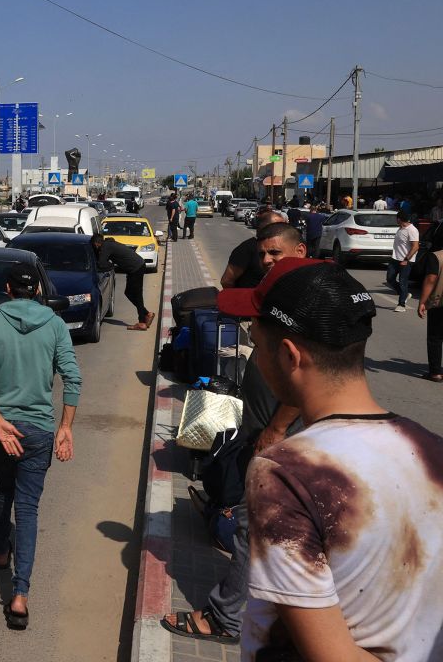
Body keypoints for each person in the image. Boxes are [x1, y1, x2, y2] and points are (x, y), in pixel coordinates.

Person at [219, 258, 443, 660]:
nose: (256, 356)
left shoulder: (285, 472)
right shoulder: (431, 450)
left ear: (290, 356)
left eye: (256, 343)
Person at [162, 236, 308, 647]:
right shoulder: (289, 301)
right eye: (262, 252)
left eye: (274, 253)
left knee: (250, 530)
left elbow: (304, 383)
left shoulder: (300, 313)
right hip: (265, 436)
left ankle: (226, 617)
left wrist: (275, 431)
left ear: (299, 252)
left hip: (276, 447)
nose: (265, 259)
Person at [0, 262, 79, 630]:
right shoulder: (55, 325)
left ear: (7, 287)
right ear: (35, 290)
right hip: (39, 430)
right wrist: (65, 428)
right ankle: (19, 595)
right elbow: (72, 378)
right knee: (28, 508)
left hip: (1, 428)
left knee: (3, 486)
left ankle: (1, 550)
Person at [92, 233, 152, 330]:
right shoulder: (109, 244)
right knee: (129, 293)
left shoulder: (105, 246)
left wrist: (112, 266)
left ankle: (142, 322)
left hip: (135, 268)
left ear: (96, 244)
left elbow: (101, 264)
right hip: (136, 266)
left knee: (137, 294)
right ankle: (147, 314)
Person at [220, 210, 287, 288]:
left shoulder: (285, 247)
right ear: (264, 228)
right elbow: (226, 281)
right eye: (279, 227)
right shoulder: (247, 248)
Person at [419, 245, 443, 382]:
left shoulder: (437, 256)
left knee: (435, 337)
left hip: (439, 304)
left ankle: (435, 373)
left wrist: (422, 301)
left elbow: (431, 279)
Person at [387, 210, 419, 311]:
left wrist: (406, 259)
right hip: (395, 259)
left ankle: (401, 305)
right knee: (390, 279)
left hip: (406, 260)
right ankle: (404, 295)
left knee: (402, 282)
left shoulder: (412, 230)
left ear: (399, 219)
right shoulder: (401, 228)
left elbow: (415, 246)